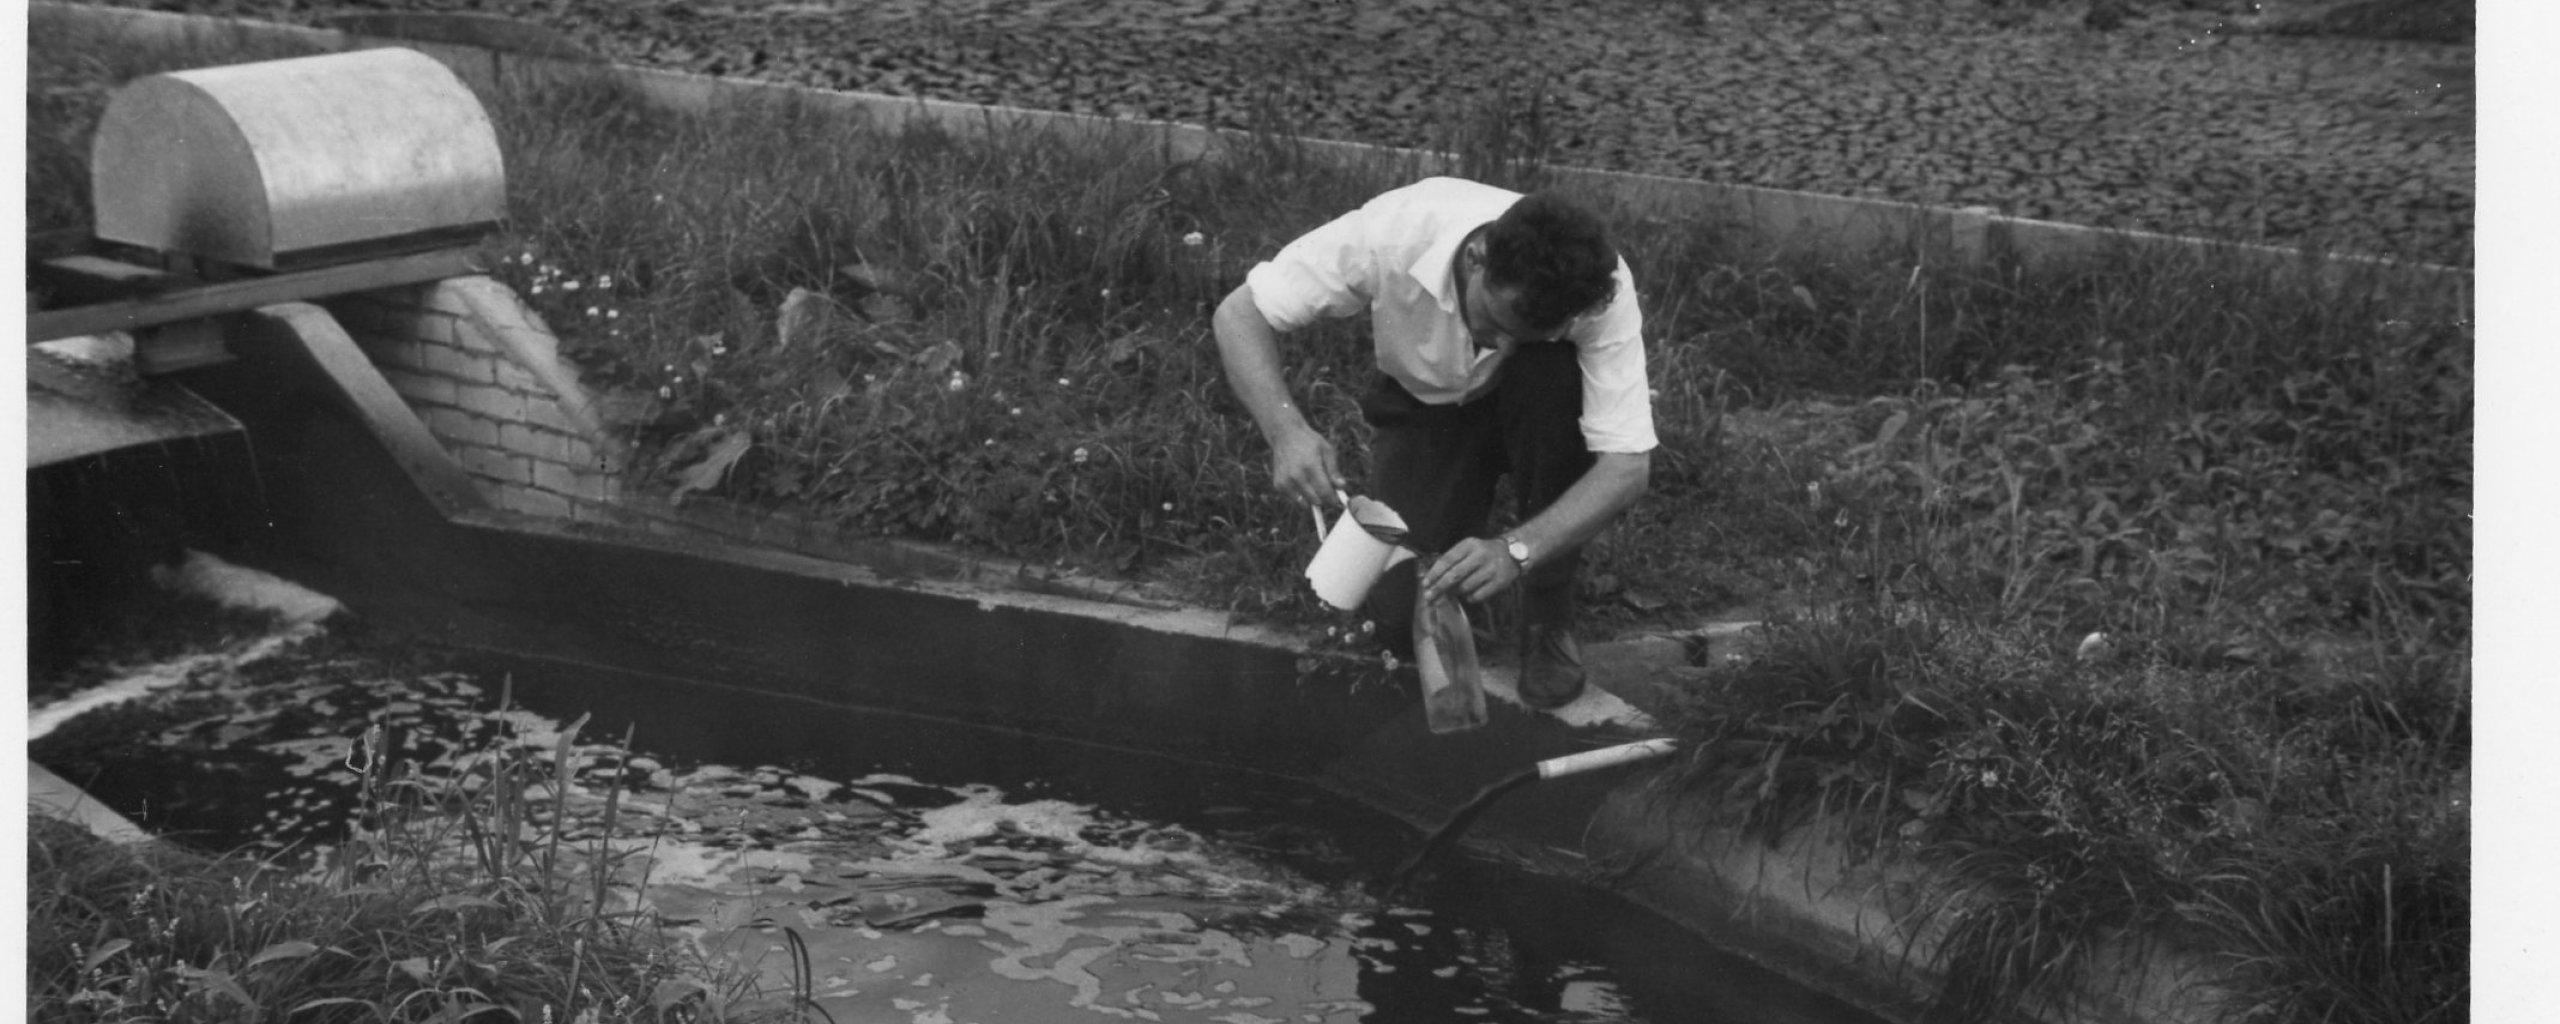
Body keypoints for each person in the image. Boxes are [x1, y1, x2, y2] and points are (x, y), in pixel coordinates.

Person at [1210, 176, 1655, 709]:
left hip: (1540, 408)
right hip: (1429, 405)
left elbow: (1627, 466)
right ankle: (1456, 508)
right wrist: (1287, 431)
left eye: (1531, 333)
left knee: (1549, 374)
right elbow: (1240, 315)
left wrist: (1518, 550)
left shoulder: (1599, 289)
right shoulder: (1392, 232)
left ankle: (1548, 611)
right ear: (1477, 257)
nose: (1506, 345)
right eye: (1497, 320)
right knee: (1399, 620)